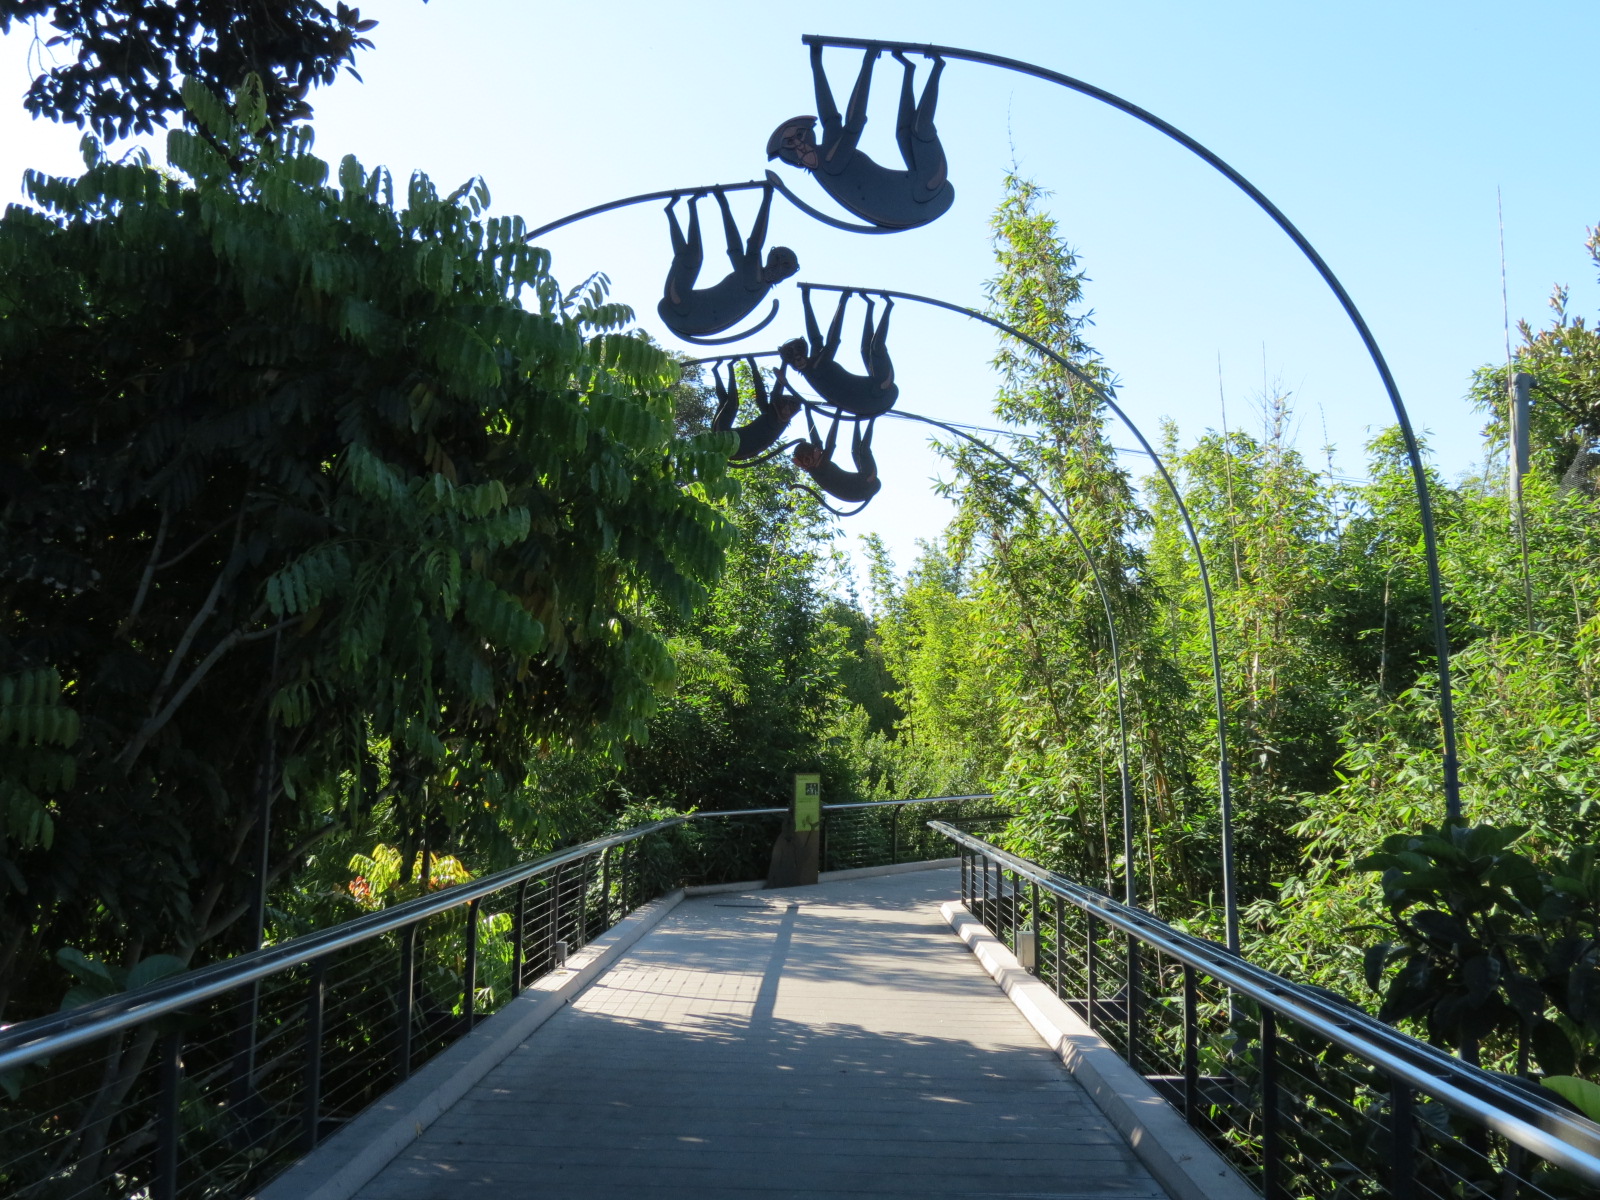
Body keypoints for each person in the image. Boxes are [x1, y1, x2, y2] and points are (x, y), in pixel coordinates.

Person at [766, 46, 953, 230]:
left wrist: (816, 64)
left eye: (799, 135)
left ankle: (909, 70)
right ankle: (938, 66)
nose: (799, 143)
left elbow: (830, 117)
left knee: (904, 133)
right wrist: (868, 60)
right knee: (921, 128)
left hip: (916, 190)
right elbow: (855, 121)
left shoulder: (827, 156)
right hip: (924, 192)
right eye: (790, 143)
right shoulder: (830, 163)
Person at [657, 186, 798, 339]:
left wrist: (767, 195)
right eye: (777, 259)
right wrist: (722, 202)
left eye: (783, 265)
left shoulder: (756, 281)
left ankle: (683, 208)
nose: (777, 265)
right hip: (682, 308)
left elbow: (754, 244)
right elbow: (736, 247)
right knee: (691, 257)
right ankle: (683, 207)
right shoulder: (753, 279)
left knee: (690, 259)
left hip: (681, 309)